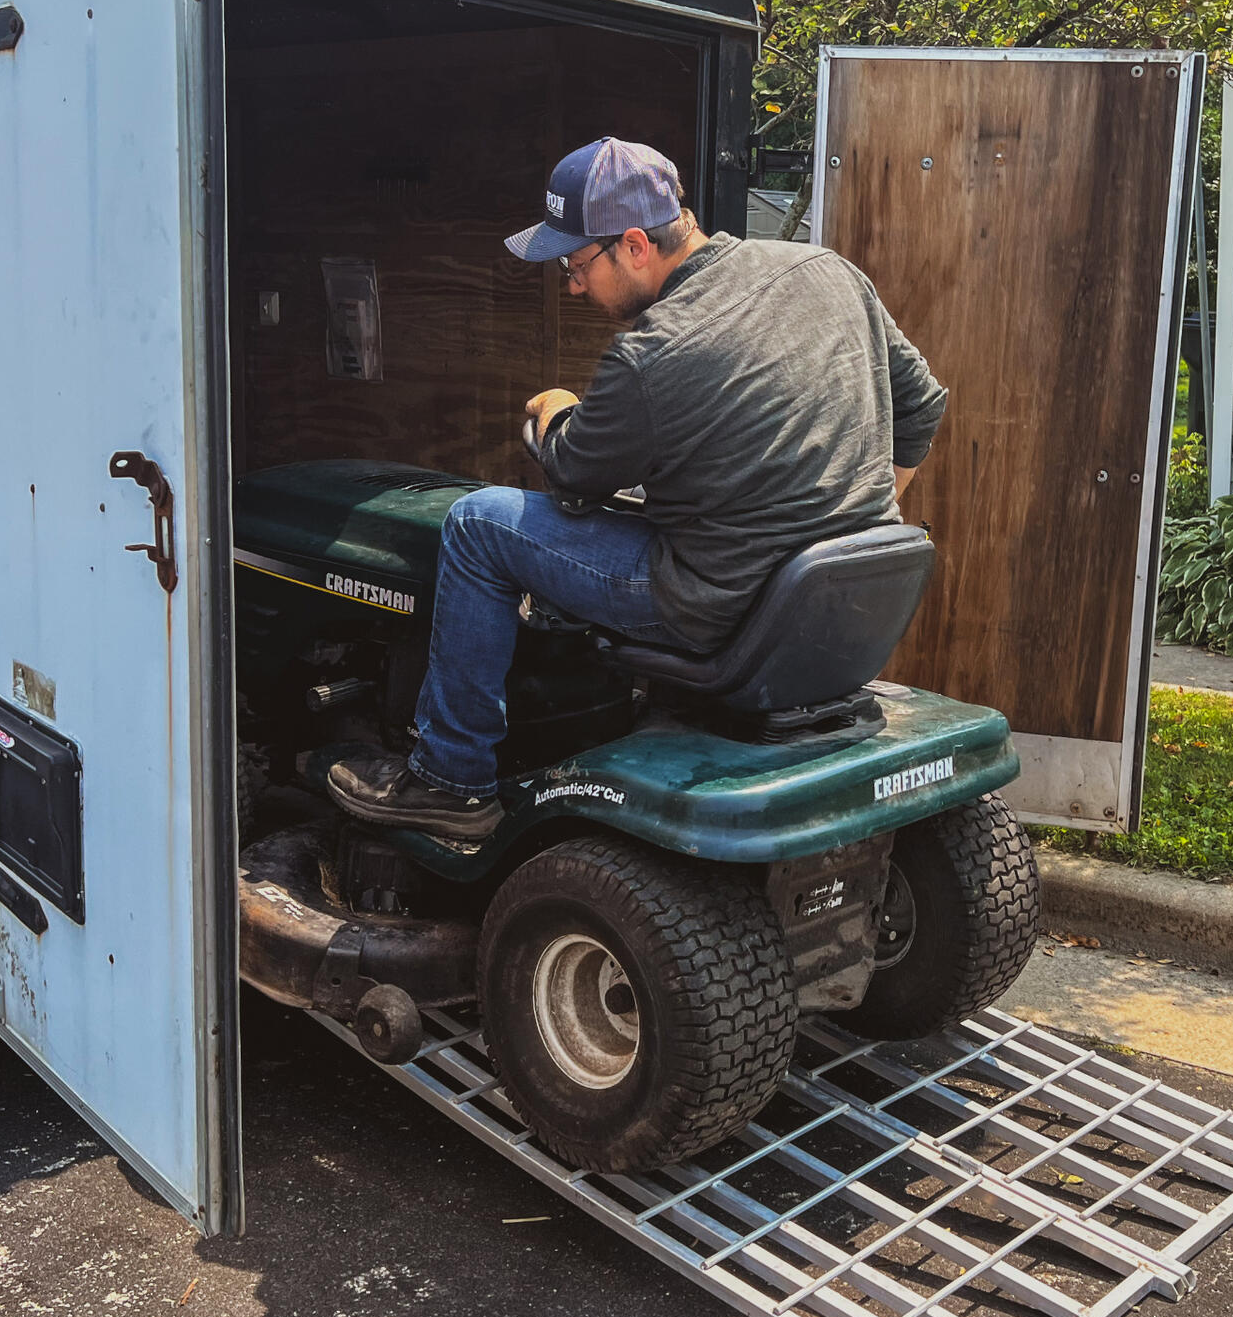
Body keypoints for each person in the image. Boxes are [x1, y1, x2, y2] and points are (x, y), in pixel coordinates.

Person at [327, 135, 948, 840]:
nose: (571, 286)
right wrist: (864, 519)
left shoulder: (652, 354)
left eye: (574, 263)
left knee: (478, 526)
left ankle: (450, 779)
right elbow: (922, 404)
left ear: (633, 244)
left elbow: (572, 474)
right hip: (841, 597)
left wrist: (556, 407)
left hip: (716, 605)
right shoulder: (825, 269)